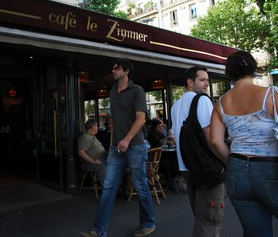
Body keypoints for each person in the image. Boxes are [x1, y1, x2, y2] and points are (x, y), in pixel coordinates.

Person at [82, 58, 156, 237]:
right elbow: (114, 120)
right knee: (108, 187)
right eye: (113, 67)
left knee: (140, 186)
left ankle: (148, 223)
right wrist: (113, 142)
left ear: (127, 71)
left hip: (135, 146)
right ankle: (98, 231)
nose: (113, 70)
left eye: (117, 68)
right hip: (117, 147)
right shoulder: (113, 91)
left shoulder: (137, 90)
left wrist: (127, 140)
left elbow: (141, 119)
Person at [208, 51, 278, 237]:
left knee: (256, 233)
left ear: (229, 73)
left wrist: (232, 162)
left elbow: (215, 141)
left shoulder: (221, 102)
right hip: (270, 167)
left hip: (237, 171)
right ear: (253, 69)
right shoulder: (270, 95)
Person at [170, 66, 224, 237]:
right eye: (202, 79)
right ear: (190, 82)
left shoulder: (175, 106)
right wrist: (225, 161)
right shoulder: (202, 100)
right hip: (205, 167)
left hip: (187, 167)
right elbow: (211, 137)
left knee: (200, 216)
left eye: (208, 80)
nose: (207, 83)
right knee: (210, 220)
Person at [78, 119, 108, 186]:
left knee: (117, 164)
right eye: (97, 126)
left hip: (103, 158)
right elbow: (81, 152)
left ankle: (120, 188)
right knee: (104, 168)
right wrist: (93, 161)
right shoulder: (85, 137)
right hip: (92, 163)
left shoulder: (91, 136)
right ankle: (107, 192)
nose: (98, 128)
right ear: (92, 126)